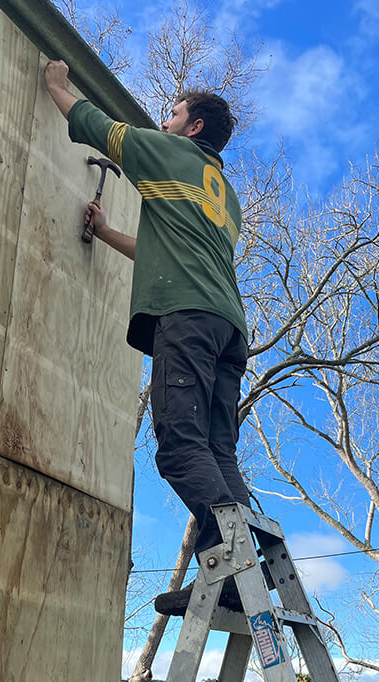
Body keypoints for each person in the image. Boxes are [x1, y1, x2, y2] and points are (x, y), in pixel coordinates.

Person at [44, 60, 252, 615]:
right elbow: (168, 250)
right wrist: (108, 231)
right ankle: (238, 574)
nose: (165, 120)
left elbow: (97, 127)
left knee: (181, 448)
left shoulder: (171, 152)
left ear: (194, 128)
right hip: (227, 326)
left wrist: (56, 86)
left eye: (174, 113)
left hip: (186, 319)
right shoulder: (224, 196)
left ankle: (234, 559)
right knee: (217, 449)